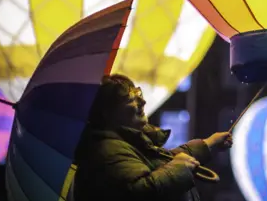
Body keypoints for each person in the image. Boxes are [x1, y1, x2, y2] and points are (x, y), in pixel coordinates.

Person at [73, 74, 233, 201]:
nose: (142, 101)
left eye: (138, 93)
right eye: (130, 99)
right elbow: (141, 191)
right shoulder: (107, 150)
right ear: (108, 113)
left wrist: (208, 144)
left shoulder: (127, 143)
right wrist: (179, 169)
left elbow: (160, 163)